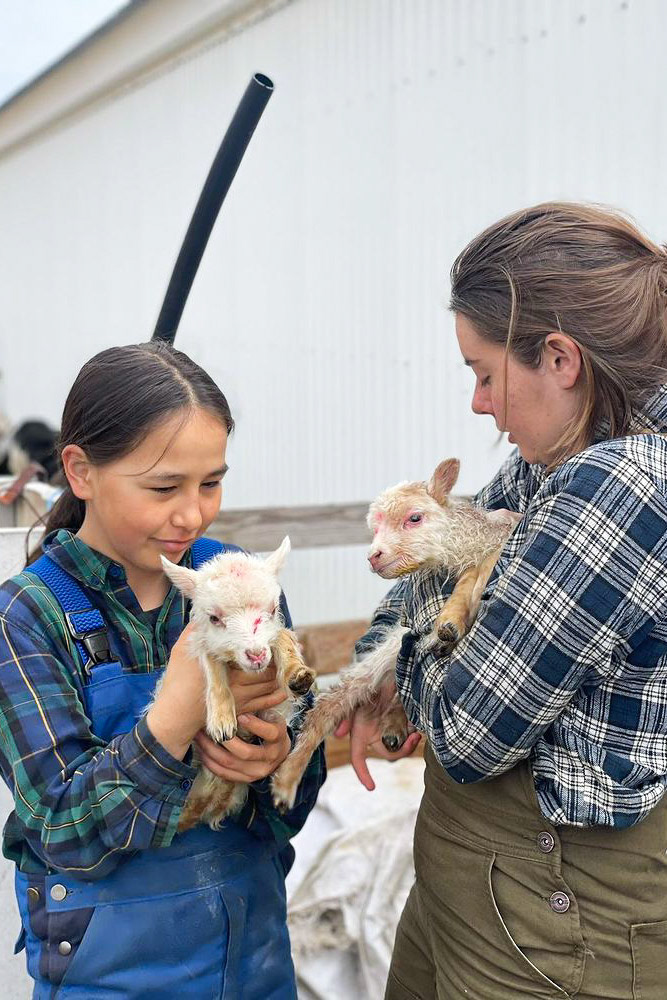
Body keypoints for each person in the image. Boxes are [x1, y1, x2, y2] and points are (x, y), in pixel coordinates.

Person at [344, 203, 667, 999]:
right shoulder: (572, 440)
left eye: (484, 374)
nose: (478, 406)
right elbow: (446, 544)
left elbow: (465, 731)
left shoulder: (620, 484)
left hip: (554, 919)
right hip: (481, 882)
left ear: (559, 357)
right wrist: (371, 672)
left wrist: (402, 663)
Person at [0, 341, 326, 999]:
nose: (192, 513)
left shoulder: (240, 581)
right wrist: (171, 723)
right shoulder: (28, 616)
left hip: (252, 965)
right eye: (163, 487)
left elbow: (292, 801)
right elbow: (64, 831)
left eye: (210, 482)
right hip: (107, 979)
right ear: (81, 472)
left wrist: (279, 761)